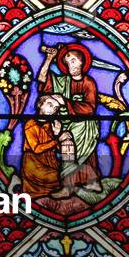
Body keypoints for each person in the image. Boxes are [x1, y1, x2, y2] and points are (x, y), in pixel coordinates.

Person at [37, 44, 103, 195]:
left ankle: (90, 182)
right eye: (67, 63)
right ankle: (68, 187)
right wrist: (48, 59)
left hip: (85, 126)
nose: (70, 65)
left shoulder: (89, 83)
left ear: (82, 62)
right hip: (68, 124)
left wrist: (65, 102)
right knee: (66, 143)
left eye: (73, 61)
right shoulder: (62, 81)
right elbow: (42, 81)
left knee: (80, 152)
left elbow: (90, 108)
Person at [20, 95, 65, 199]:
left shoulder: (52, 125)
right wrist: (56, 139)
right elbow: (36, 149)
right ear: (40, 105)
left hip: (50, 161)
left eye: (56, 108)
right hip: (33, 163)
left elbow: (58, 148)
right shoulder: (30, 124)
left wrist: (57, 133)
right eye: (50, 105)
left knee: (66, 175)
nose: (53, 109)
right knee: (58, 178)